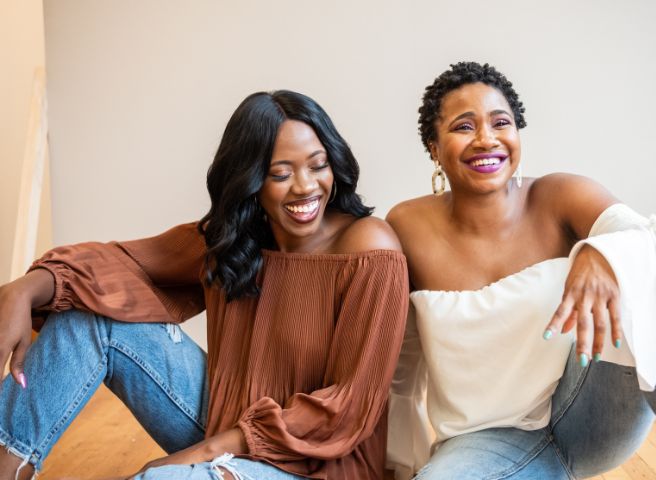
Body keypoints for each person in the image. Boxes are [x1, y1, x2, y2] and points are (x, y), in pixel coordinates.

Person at [0, 90, 409, 480]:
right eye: (280, 173)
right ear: (251, 182)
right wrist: (25, 289)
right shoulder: (237, 237)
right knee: (88, 316)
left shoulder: (370, 249)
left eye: (318, 165)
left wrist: (195, 456)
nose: (305, 186)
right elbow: (124, 262)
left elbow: (347, 409)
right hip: (225, 424)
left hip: (318, 463)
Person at [385, 62, 656, 480]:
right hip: (485, 441)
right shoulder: (406, 226)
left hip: (592, 412)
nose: (487, 139)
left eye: (501, 122)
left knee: (644, 262)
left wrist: (601, 254)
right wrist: (399, 462)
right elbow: (402, 357)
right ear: (434, 147)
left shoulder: (561, 195)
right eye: (464, 127)